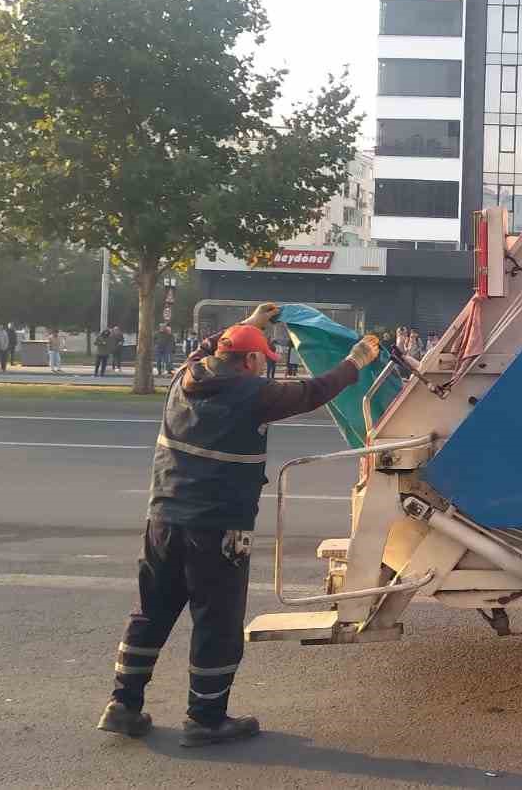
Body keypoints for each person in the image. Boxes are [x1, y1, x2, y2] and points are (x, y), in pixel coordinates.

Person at [96, 303, 380, 747]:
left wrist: (249, 324)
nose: (263, 368)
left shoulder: (185, 378)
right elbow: (314, 391)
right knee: (217, 621)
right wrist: (356, 362)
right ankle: (206, 719)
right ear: (249, 361)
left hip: (163, 519)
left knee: (151, 612)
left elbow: (210, 348)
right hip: (219, 527)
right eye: (261, 359)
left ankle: (123, 704)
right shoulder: (253, 395)